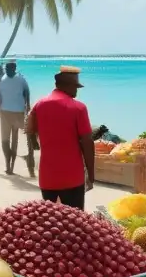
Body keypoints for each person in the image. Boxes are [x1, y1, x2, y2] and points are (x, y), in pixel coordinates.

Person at [27, 66, 95, 209]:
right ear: (66, 85)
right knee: (74, 224)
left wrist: (38, 144)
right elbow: (87, 142)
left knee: (51, 223)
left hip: (47, 177)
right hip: (72, 177)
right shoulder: (78, 108)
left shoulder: (39, 105)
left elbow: (30, 131)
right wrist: (91, 173)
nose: (76, 91)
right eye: (75, 86)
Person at [0, 60, 32, 176]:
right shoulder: (4, 79)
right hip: (7, 112)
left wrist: (28, 105)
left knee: (12, 140)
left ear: (14, 69)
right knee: (6, 141)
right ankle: (8, 164)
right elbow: (0, 95)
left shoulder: (19, 79)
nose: (8, 71)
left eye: (9, 69)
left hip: (16, 112)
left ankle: (10, 166)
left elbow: (27, 92)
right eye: (7, 69)